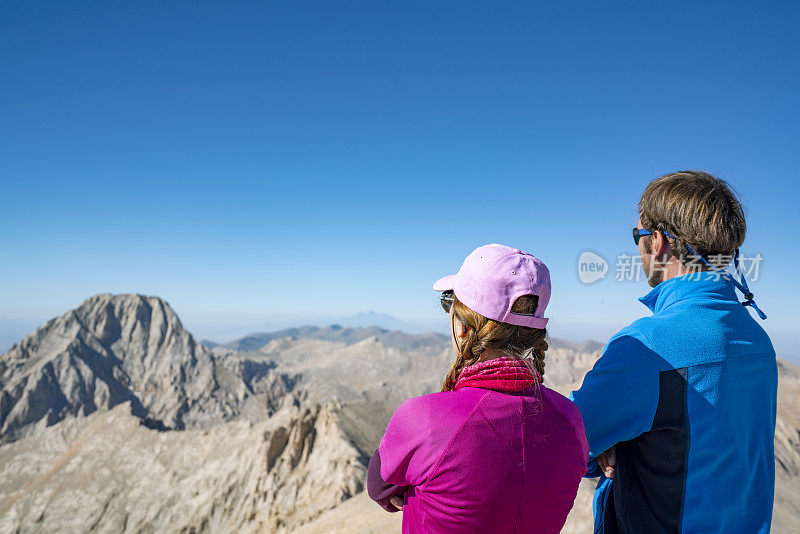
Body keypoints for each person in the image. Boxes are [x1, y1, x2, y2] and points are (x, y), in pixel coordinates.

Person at [570, 171, 777, 533]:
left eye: (638, 236)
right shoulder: (757, 341)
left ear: (660, 241)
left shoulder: (646, 348)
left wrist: (609, 444)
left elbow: (567, 443)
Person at [367, 244, 589, 533]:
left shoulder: (424, 418)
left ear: (464, 328)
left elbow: (378, 486)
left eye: (450, 304)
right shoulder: (570, 420)